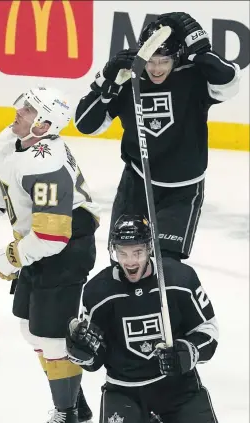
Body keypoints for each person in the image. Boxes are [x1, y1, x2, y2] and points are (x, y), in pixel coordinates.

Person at [66, 214, 224, 423]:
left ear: (150, 248)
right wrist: (82, 352)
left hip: (176, 386)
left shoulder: (180, 278)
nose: (130, 261)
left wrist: (188, 352)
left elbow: (209, 330)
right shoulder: (97, 291)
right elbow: (95, 360)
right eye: (123, 252)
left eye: (138, 252)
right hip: (126, 389)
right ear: (113, 251)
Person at [0, 86, 100, 423]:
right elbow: (5, 186)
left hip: (67, 247)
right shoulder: (14, 141)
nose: (18, 112)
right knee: (28, 326)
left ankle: (67, 421)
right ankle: (79, 410)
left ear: (46, 124)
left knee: (52, 336)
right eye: (23, 106)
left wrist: (11, 257)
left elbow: (52, 236)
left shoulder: (46, 162)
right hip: (41, 244)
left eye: (28, 111)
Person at [74, 12, 240, 261]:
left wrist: (201, 51)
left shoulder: (193, 76)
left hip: (183, 191)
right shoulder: (129, 80)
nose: (156, 68)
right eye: (150, 60)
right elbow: (85, 125)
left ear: (177, 57)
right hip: (136, 184)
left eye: (164, 61)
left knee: (166, 267)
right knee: (124, 261)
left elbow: (229, 83)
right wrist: (106, 81)